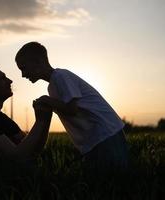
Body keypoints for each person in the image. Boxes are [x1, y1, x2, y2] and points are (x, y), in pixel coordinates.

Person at [15, 42, 128, 174]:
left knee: (115, 177)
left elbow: (71, 109)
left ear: (38, 61)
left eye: (23, 68)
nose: (23, 75)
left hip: (105, 134)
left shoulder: (61, 76)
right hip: (96, 138)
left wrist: (47, 100)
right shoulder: (53, 85)